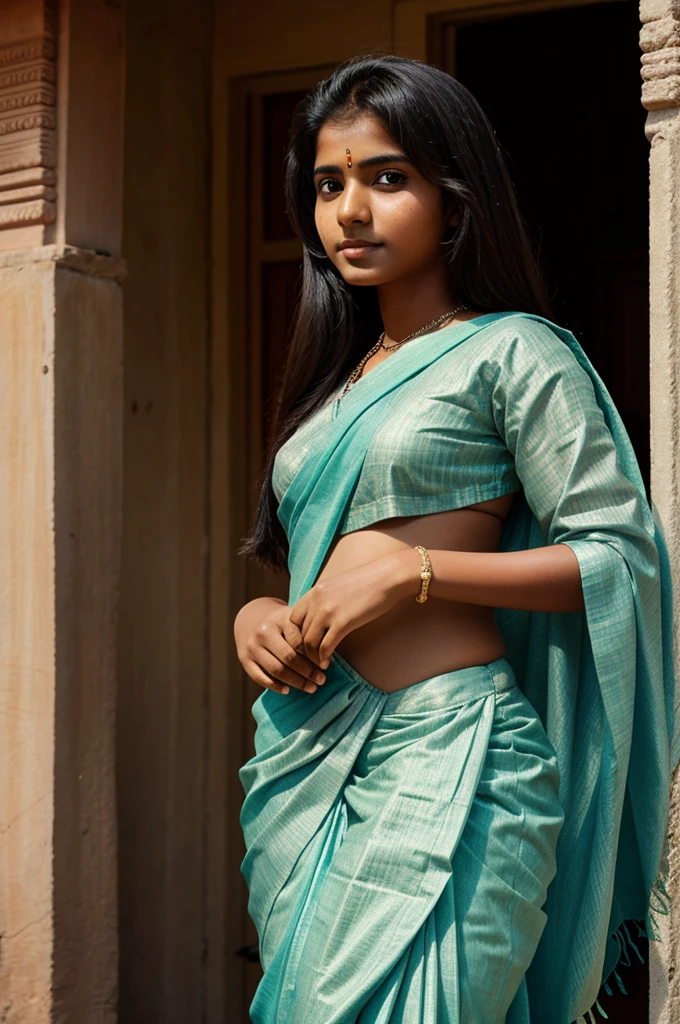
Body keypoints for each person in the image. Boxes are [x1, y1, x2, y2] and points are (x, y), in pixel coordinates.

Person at [234, 53, 678, 1024]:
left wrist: (420, 571)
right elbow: (313, 562)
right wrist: (259, 616)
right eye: (327, 183)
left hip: (462, 761)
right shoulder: (331, 388)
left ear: (454, 196)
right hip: (313, 761)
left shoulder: (514, 351)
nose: (349, 208)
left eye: (385, 177)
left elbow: (618, 558)